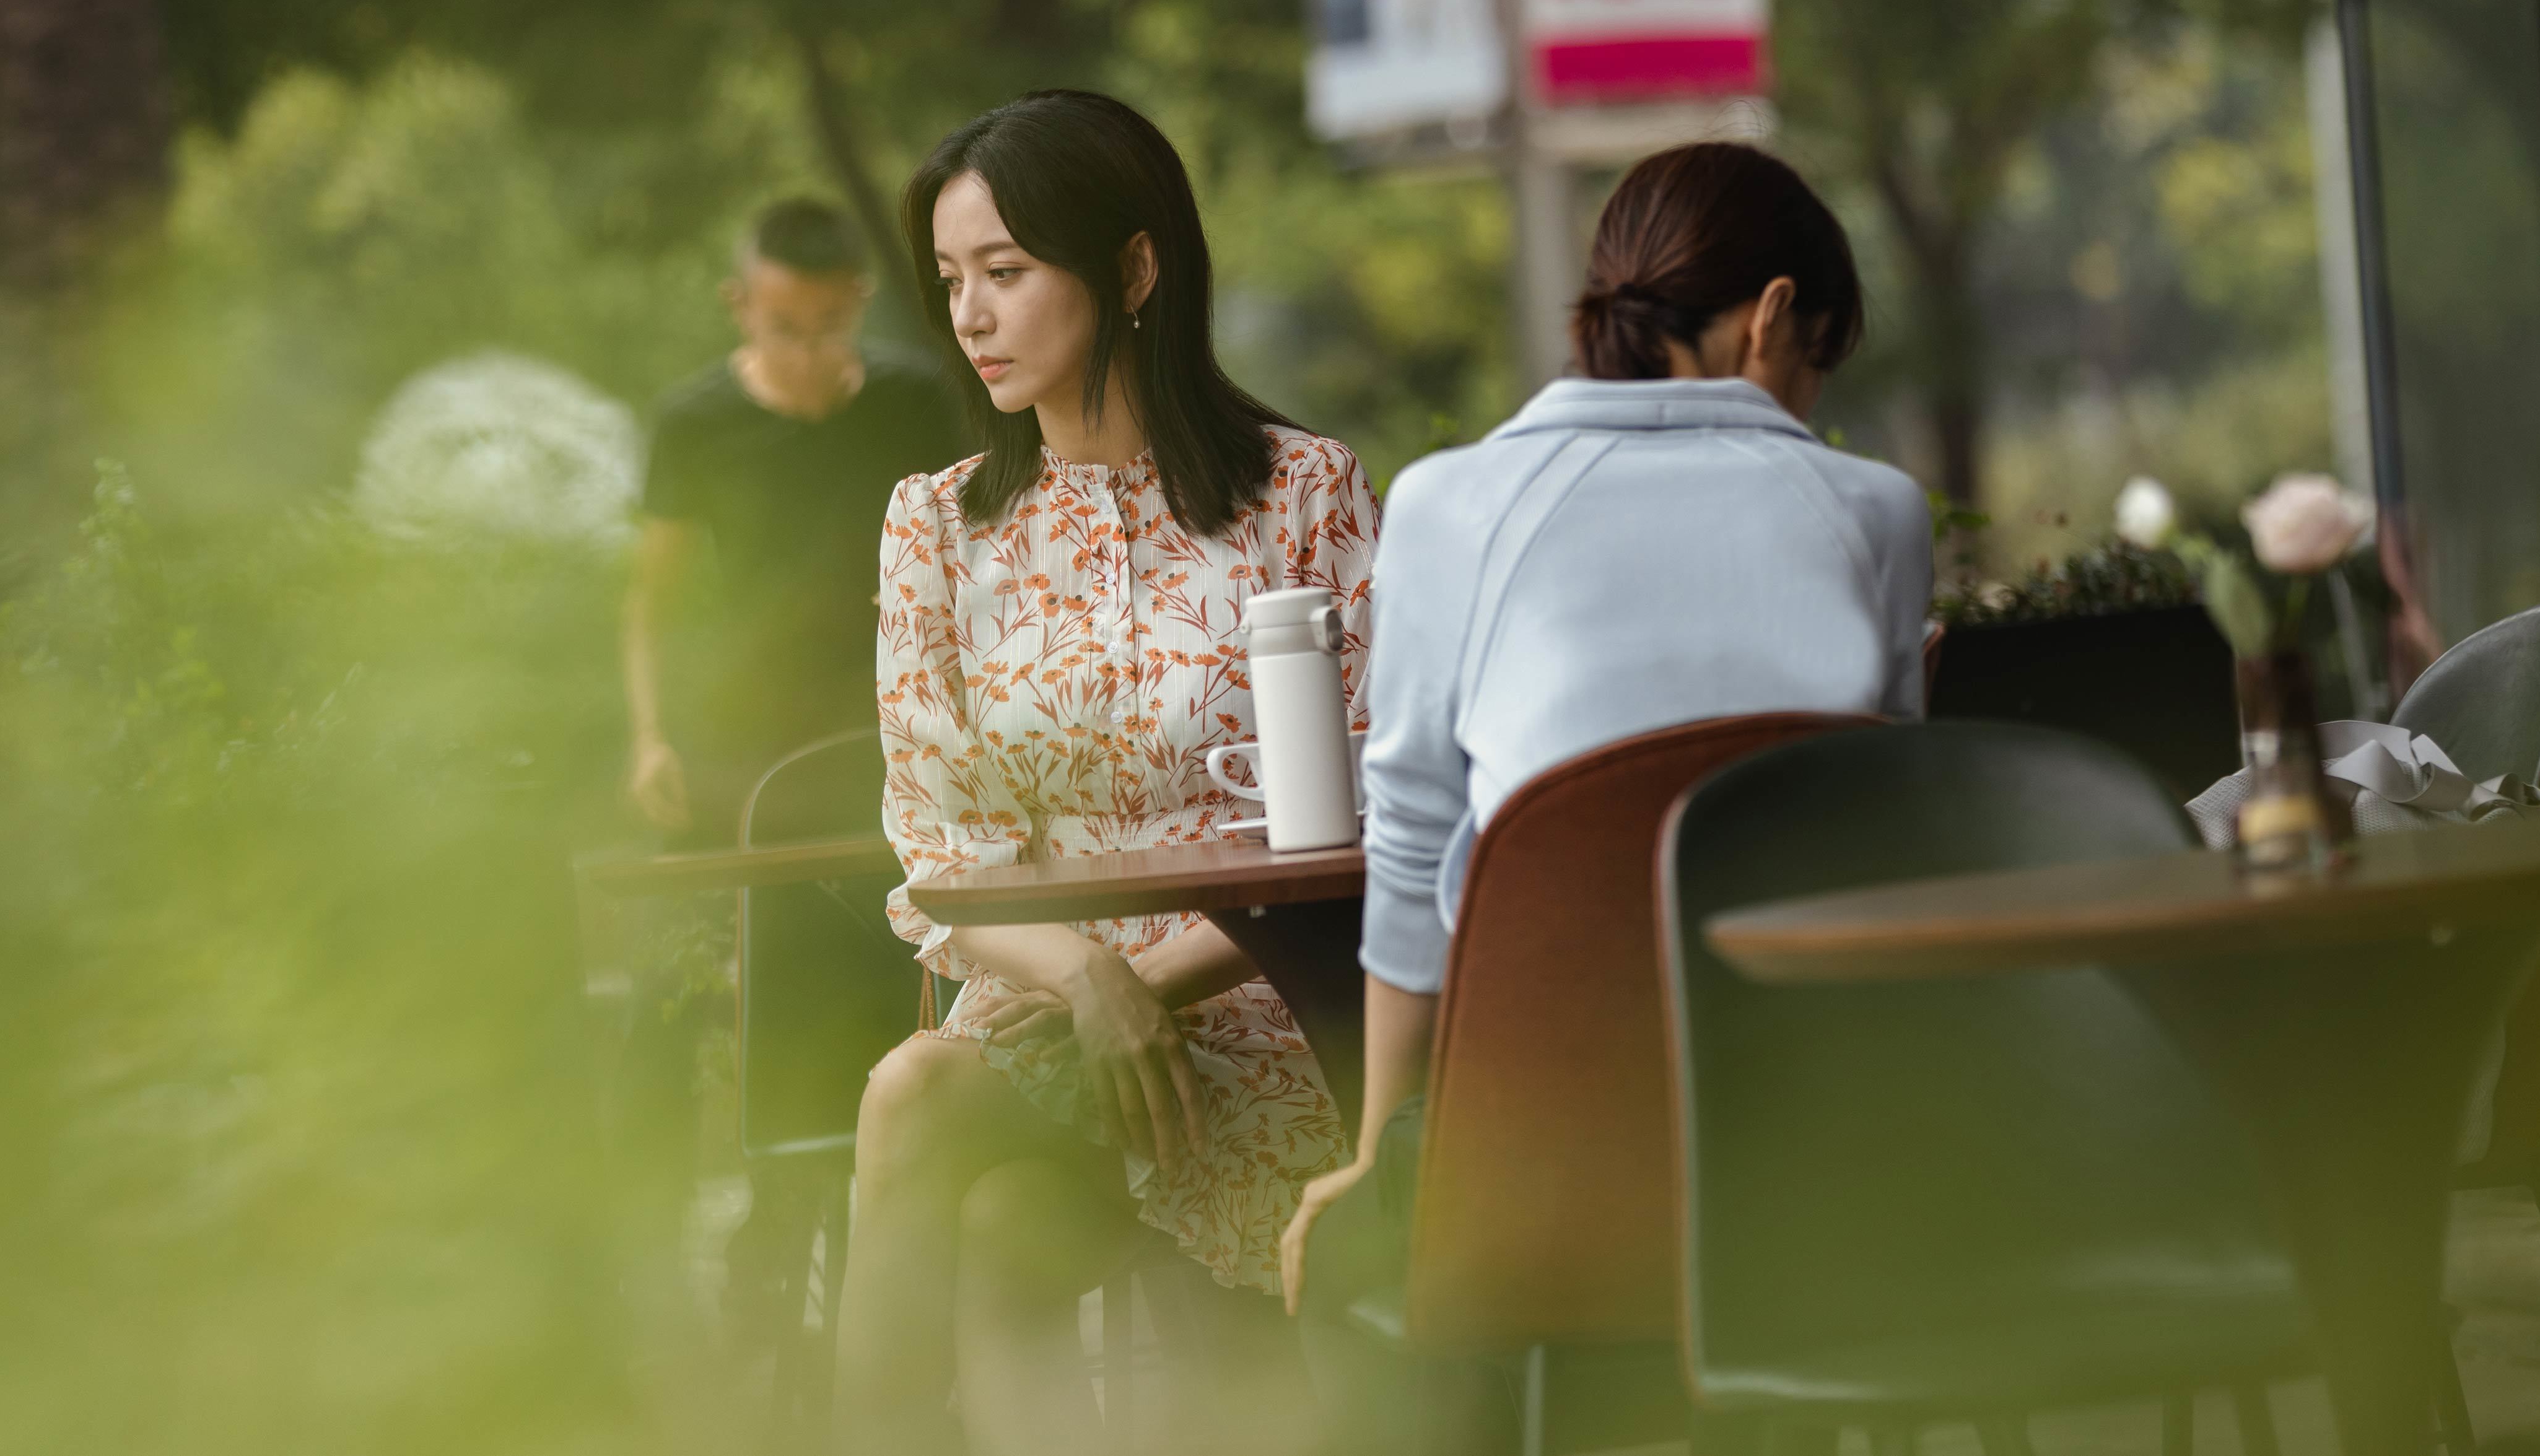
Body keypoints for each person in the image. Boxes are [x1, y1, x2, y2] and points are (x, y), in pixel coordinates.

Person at [1275, 141, 1935, 1309]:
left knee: (1349, 1270)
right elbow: (1881, 844)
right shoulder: (1874, 513)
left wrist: (1384, 1156)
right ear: (1774, 319)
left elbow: (1415, 839)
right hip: (1836, 1144)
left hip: (1534, 1157)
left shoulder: (1450, 504)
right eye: (1818, 367)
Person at [836, 91, 1378, 1456]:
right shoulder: (936, 526)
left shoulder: (1308, 495)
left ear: (1133, 270)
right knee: (914, 1087)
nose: (969, 317)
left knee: (1005, 1223)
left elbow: (1376, 812)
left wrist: (1158, 984)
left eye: (1007, 273)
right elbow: (939, 845)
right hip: (1043, 1012)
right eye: (953, 280)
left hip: (1270, 1003)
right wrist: (1089, 981)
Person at [622, 197, 965, 842]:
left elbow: (969, 562)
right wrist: (650, 740)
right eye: (783, 327)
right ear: (739, 306)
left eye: (829, 323)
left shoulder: (919, 402)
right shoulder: (692, 424)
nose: (807, 352)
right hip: (745, 728)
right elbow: (654, 598)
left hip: (899, 721)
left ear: (859, 300)